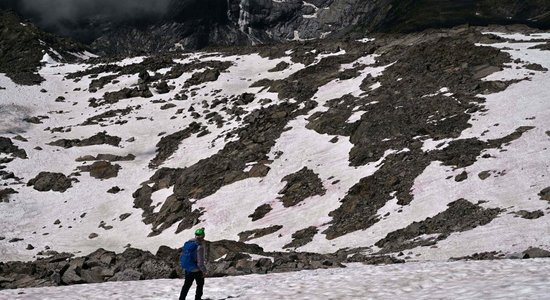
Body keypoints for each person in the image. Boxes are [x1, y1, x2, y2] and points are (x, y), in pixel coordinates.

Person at [179, 227, 208, 300]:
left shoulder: (188, 243)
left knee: (186, 285)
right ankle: (197, 299)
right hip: (196, 270)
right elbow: (200, 262)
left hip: (188, 269)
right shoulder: (199, 247)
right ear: (203, 236)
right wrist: (204, 271)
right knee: (200, 284)